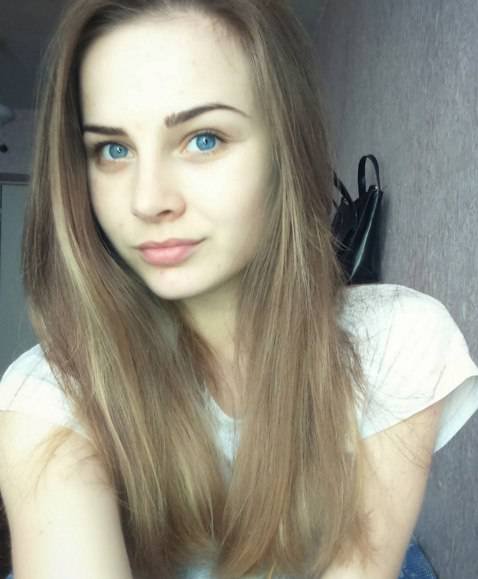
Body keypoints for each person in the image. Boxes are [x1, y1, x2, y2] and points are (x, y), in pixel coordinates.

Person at [0, 1, 477, 578]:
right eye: (113, 150)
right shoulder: (52, 392)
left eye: (203, 139)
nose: (148, 201)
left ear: (285, 150)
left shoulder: (394, 341)